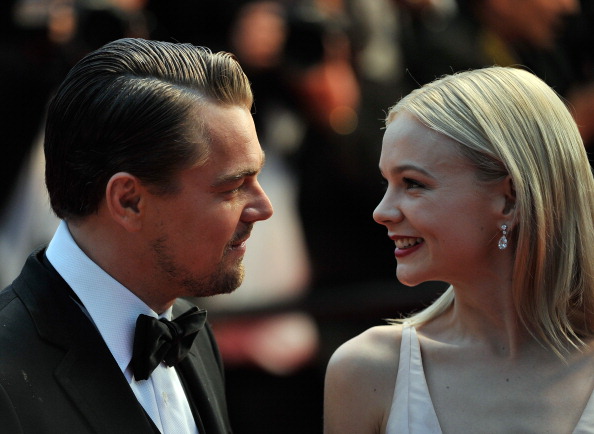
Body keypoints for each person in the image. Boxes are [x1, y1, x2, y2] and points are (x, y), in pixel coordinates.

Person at [0, 38, 273, 433]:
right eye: (232, 187)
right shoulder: (8, 377)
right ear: (128, 201)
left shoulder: (192, 337)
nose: (264, 208)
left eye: (257, 176)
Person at [324, 66, 594, 433]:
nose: (382, 212)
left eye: (413, 184)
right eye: (387, 183)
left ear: (510, 200)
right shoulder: (368, 369)